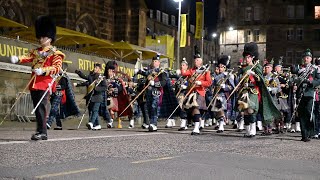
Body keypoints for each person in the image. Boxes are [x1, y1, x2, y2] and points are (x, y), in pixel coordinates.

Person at [10, 15, 63, 140]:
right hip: (34, 83)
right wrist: (18, 59)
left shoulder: (56, 54)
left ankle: (42, 132)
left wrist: (43, 71)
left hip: (45, 83)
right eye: (40, 36)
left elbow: (56, 68)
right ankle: (41, 131)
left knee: (41, 108)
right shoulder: (36, 51)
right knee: (37, 107)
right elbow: (28, 57)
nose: (41, 39)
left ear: (49, 38)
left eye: (43, 37)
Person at [181, 53, 212, 135]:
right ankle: (196, 126)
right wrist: (183, 67)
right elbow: (184, 74)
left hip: (200, 92)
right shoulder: (192, 70)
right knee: (192, 110)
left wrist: (200, 82)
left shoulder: (205, 71)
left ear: (201, 61)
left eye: (197, 60)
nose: (195, 61)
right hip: (192, 93)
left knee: (196, 108)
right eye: (195, 60)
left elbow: (209, 82)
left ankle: (196, 128)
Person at [294, 49, 320, 142]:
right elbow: (295, 80)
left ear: (311, 59)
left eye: (308, 57)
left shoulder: (315, 68)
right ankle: (304, 135)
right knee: (301, 114)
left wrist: (311, 82)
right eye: (304, 57)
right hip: (300, 93)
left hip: (310, 93)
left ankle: (309, 132)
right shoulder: (299, 68)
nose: (306, 59)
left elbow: (318, 80)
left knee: (309, 113)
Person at [46, 63, 80, 130]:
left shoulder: (64, 76)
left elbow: (64, 86)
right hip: (52, 93)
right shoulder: (54, 74)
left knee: (54, 108)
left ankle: (49, 123)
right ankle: (59, 125)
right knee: (56, 110)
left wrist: (60, 87)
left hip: (59, 93)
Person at [75, 63, 107, 130]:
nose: (94, 69)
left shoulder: (101, 78)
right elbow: (85, 78)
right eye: (94, 67)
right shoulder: (91, 76)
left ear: (100, 69)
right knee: (91, 111)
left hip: (98, 96)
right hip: (91, 96)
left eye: (96, 68)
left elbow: (104, 87)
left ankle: (91, 123)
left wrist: (96, 89)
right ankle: (97, 125)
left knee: (95, 110)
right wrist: (79, 73)